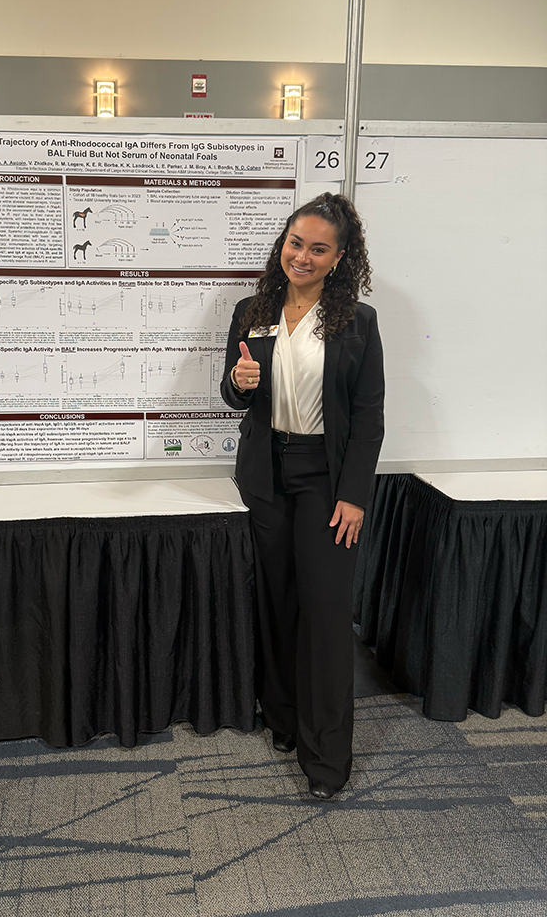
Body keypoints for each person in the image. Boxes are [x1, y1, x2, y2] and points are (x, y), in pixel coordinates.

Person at [220, 192, 384, 801]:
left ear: (340, 257)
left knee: (323, 615)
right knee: (279, 602)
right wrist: (238, 384)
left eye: (319, 248)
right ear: (282, 243)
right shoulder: (251, 309)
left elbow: (368, 416)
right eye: (296, 243)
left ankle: (327, 760)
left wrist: (355, 495)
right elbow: (233, 395)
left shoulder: (356, 322)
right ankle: (285, 723)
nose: (303, 256)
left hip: (326, 479)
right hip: (265, 473)